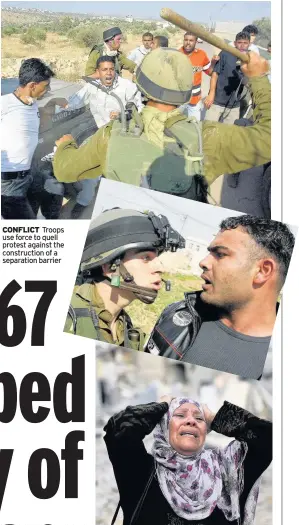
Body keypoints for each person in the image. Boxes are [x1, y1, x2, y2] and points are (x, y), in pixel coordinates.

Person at [53, 48, 271, 204]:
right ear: (187, 90)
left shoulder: (111, 134)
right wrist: (259, 78)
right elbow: (272, 139)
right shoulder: (209, 137)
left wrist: (66, 145)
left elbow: (64, 170)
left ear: (142, 86)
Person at [99, 396, 272, 525]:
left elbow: (268, 437)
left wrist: (215, 417)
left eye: (199, 419)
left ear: (207, 430)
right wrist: (162, 406)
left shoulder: (229, 473)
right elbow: (119, 429)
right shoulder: (140, 473)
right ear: (164, 424)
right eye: (180, 415)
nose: (191, 421)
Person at [145, 215, 295, 379]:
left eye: (221, 254)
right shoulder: (177, 315)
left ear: (262, 271)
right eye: (209, 253)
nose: (203, 262)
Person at [64, 208, 185, 349]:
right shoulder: (68, 317)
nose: (160, 268)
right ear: (110, 267)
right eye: (146, 258)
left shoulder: (126, 327)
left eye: (157, 257)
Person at [60, 56, 143, 218]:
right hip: (101, 136)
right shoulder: (91, 87)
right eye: (104, 70)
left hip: (122, 137)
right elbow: (73, 103)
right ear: (98, 72)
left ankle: (120, 210)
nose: (109, 73)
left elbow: (139, 109)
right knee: (91, 174)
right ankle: (83, 202)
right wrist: (54, 106)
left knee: (121, 177)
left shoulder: (127, 86)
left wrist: (123, 113)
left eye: (111, 69)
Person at [1, 58, 55, 219]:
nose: (47, 90)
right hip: (10, 183)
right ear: (32, 85)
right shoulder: (5, 104)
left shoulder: (32, 104)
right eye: (45, 86)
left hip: (29, 173)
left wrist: (53, 104)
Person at [204, 31, 250, 124]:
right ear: (235, 43)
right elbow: (214, 74)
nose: (242, 46)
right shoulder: (225, 54)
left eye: (245, 43)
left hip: (234, 105)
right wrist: (211, 94)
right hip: (217, 101)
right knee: (208, 130)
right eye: (239, 42)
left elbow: (248, 81)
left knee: (229, 134)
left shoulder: (249, 59)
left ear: (249, 44)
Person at [179, 32, 213, 121]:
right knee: (174, 125)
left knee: (195, 126)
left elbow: (210, 72)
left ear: (196, 42)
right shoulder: (177, 54)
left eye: (191, 40)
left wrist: (213, 63)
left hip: (194, 100)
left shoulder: (201, 54)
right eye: (186, 40)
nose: (188, 43)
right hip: (178, 99)